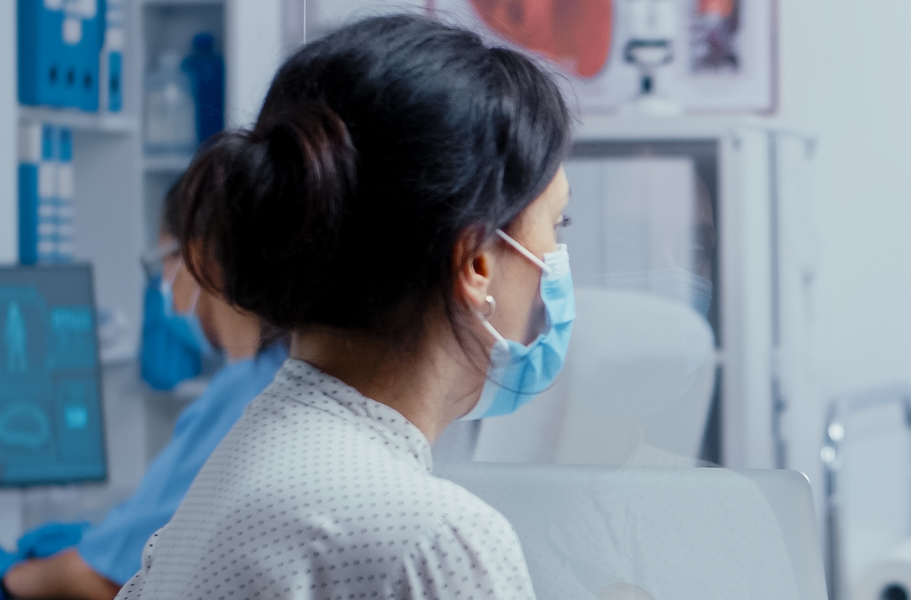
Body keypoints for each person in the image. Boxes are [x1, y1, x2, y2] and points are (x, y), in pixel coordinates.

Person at [114, 14, 573, 599]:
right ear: (477, 263)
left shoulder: (240, 467)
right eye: (557, 224)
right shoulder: (434, 540)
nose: (557, 257)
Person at [0, 184, 288, 600]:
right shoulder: (282, 374)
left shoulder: (239, 399)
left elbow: (103, 581)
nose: (165, 287)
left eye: (165, 262)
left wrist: (12, 576)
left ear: (200, 258)